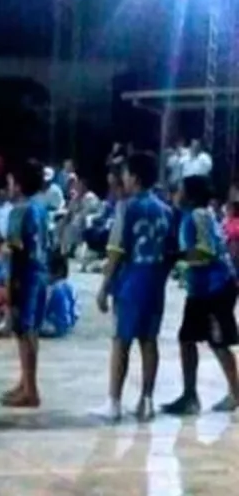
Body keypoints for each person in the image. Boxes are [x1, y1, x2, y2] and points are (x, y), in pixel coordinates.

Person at [94, 151, 173, 421]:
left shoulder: (126, 207)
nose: (123, 179)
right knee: (149, 341)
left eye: (126, 174)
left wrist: (105, 286)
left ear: (135, 178)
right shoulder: (166, 211)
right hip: (155, 283)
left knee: (121, 341)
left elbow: (116, 250)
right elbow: (171, 252)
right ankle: (146, 401)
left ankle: (114, 403)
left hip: (131, 281)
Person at [161, 176, 239, 415]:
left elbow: (206, 251)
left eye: (180, 190)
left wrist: (177, 257)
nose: (176, 193)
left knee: (218, 342)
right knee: (187, 338)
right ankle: (190, 395)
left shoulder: (198, 215)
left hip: (215, 288)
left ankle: (235, 393)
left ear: (191, 195)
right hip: (200, 289)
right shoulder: (190, 216)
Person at [1, 159, 51, 407]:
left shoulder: (18, 212)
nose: (8, 187)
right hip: (41, 273)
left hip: (25, 276)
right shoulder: (41, 208)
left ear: (19, 185)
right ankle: (25, 382)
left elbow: (15, 252)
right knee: (32, 332)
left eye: (11, 182)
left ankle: (31, 390)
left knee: (23, 332)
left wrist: (10, 286)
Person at [40, 251, 78, 339]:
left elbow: (44, 308)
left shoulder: (54, 288)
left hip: (55, 325)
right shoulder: (71, 286)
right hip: (69, 323)